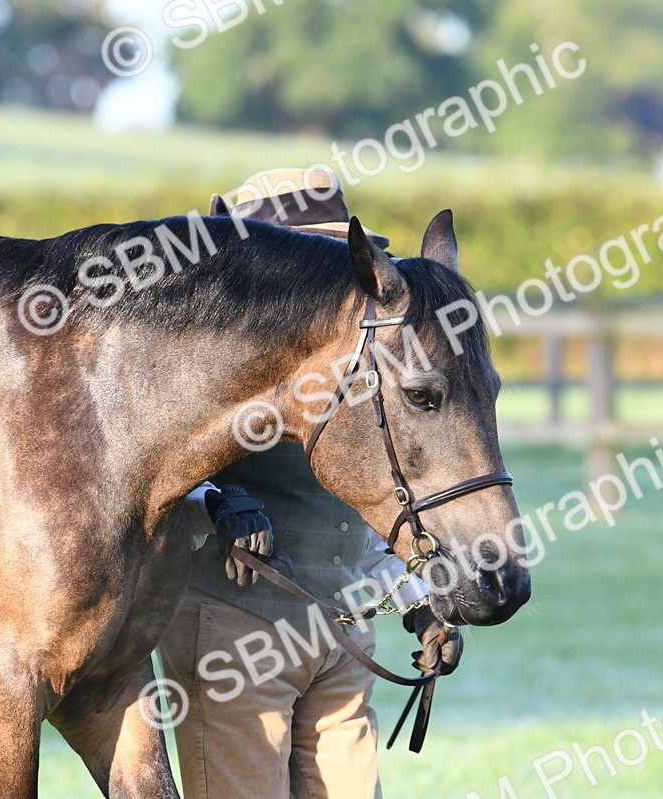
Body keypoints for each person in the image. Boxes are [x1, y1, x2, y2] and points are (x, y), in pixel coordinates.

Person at [159, 168, 464, 799]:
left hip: (344, 631)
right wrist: (214, 498)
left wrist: (417, 602)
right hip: (235, 630)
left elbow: (374, 510)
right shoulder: (194, 360)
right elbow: (146, 475)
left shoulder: (357, 369)